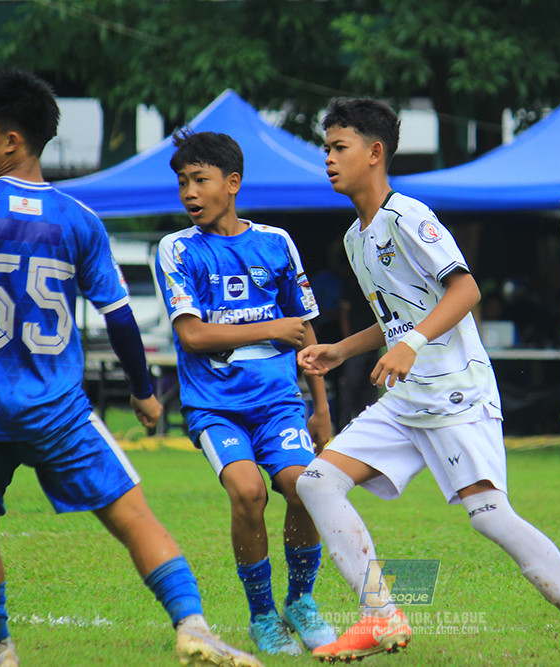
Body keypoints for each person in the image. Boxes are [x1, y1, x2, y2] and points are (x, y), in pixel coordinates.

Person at [0, 69, 260, 667]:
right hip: (55, 407)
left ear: (11, 141)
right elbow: (119, 318)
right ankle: (193, 626)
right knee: (131, 514)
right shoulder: (78, 220)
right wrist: (143, 393)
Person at [294, 98, 560, 667]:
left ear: (374, 154)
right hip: (405, 398)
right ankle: (380, 616)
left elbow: (464, 291)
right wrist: (342, 349)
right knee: (318, 481)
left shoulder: (409, 217)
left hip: (454, 391)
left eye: (337, 147)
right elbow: (400, 315)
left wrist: (412, 344)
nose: (327, 159)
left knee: (490, 515)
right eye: (325, 148)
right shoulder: (356, 236)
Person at [154, 130, 336, 656]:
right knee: (248, 491)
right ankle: (262, 617)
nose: (189, 192)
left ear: (231, 184)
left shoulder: (276, 242)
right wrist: (269, 330)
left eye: (200, 180)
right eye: (183, 182)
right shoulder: (177, 248)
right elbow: (191, 335)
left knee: (304, 486)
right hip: (214, 407)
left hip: (279, 401)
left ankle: (301, 602)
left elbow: (305, 331)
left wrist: (320, 408)